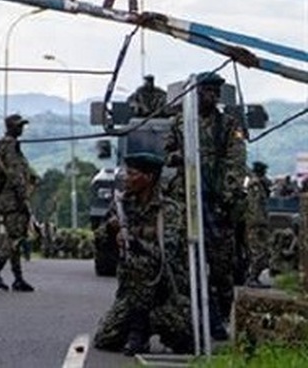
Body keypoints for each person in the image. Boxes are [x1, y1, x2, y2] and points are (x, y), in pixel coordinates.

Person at [164, 72, 247, 340]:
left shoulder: (228, 125)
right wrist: (181, 156)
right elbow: (167, 154)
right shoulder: (179, 123)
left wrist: (227, 195)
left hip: (216, 202)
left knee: (222, 266)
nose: (209, 96)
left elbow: (236, 162)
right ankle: (191, 319)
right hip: (186, 198)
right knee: (184, 262)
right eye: (204, 91)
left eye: (213, 92)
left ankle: (222, 317)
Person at [92, 151, 193, 356]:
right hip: (132, 293)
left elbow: (169, 255)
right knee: (105, 339)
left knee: (184, 341)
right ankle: (138, 329)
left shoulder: (169, 210)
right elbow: (99, 242)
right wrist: (111, 231)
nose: (126, 179)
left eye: (132, 174)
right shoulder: (122, 204)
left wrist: (135, 241)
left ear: (148, 178)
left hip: (167, 291)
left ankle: (142, 330)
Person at [0, 113, 39, 292]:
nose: (21, 128)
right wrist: (23, 197)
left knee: (16, 239)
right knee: (15, 236)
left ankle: (18, 278)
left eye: (22, 125)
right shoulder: (10, 146)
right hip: (12, 199)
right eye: (18, 125)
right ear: (10, 127)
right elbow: (15, 175)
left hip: (6, 199)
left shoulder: (2, 145)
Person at [244, 160, 272, 288]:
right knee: (259, 252)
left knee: (263, 252)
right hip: (257, 224)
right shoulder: (255, 186)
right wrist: (259, 223)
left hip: (259, 223)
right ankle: (252, 277)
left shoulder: (259, 185)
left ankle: (253, 276)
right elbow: (254, 207)